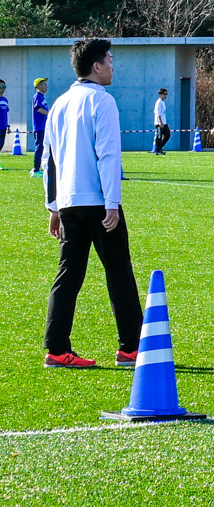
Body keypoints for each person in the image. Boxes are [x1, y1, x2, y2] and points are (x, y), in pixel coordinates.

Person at [41, 41, 143, 369]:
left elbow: (48, 159)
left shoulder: (60, 103)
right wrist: (112, 202)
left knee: (68, 275)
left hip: (69, 202)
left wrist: (53, 206)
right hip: (98, 201)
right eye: (110, 60)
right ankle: (131, 348)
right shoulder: (102, 100)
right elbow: (108, 154)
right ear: (96, 66)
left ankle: (56, 349)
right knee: (119, 271)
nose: (113, 66)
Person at [32, 77, 50, 174]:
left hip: (43, 126)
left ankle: (39, 168)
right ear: (38, 86)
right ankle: (36, 169)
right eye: (44, 84)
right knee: (39, 147)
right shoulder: (37, 96)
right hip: (39, 126)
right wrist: (50, 114)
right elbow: (38, 109)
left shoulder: (42, 97)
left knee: (42, 147)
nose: (46, 86)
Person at [152, 87, 170, 155]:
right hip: (159, 123)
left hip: (164, 122)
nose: (165, 96)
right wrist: (160, 123)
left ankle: (160, 148)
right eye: (164, 94)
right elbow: (158, 114)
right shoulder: (158, 103)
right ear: (160, 95)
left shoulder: (163, 102)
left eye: (166, 94)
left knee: (167, 135)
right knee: (159, 137)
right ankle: (158, 150)